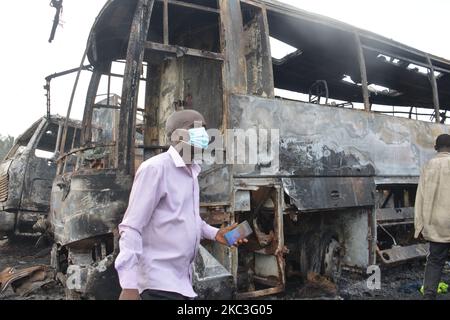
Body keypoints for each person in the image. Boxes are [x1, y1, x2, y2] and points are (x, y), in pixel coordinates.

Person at [115, 109, 246, 300]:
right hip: (156, 284)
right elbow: (131, 227)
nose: (203, 135)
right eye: (195, 128)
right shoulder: (155, 169)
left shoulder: (192, 171)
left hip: (182, 283)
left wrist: (216, 234)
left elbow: (189, 219)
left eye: (204, 129)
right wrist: (129, 286)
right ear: (177, 136)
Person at [415, 133, 450, 300]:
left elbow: (420, 198)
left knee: (435, 261)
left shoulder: (428, 166)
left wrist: (419, 226)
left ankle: (429, 294)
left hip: (436, 225)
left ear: (436, 148)